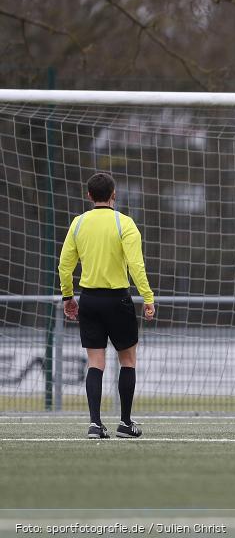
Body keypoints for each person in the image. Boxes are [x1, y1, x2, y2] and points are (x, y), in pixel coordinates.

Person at [58, 172, 155, 439]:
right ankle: (125, 423)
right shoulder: (124, 223)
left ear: (89, 196)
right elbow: (136, 265)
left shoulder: (78, 224)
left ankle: (94, 424)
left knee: (95, 363)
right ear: (114, 194)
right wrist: (148, 297)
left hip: (89, 299)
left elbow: (64, 266)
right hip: (117, 299)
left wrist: (68, 297)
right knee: (128, 360)